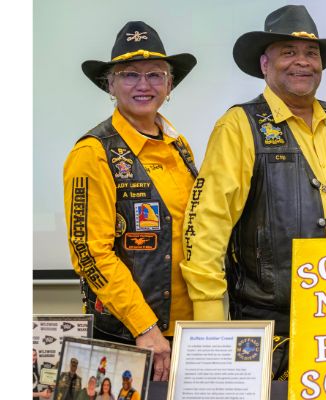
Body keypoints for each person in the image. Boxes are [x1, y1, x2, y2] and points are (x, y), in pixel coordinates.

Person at [180, 5, 326, 380]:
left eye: (311, 53)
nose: (302, 62)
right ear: (265, 64)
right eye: (288, 52)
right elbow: (206, 229)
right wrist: (210, 323)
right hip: (272, 327)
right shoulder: (238, 126)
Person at [63, 21, 198, 381]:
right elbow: (89, 252)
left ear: (170, 84)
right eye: (129, 75)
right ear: (110, 85)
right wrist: (144, 327)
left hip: (185, 330)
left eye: (155, 74)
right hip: (130, 335)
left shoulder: (179, 146)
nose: (143, 85)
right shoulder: (93, 153)